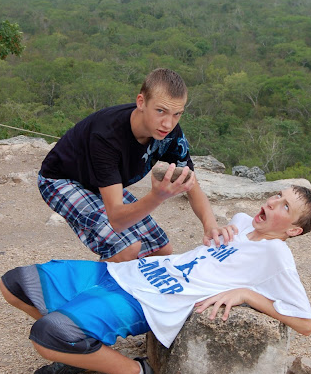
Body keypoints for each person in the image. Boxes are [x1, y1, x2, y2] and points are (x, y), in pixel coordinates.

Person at [0, 186, 311, 374]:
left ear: (293, 230)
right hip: (128, 271)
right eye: (277, 196)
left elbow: (304, 322)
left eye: (284, 206)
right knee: (15, 284)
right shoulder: (241, 222)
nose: (272, 202)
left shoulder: (276, 254)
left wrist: (246, 294)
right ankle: (81, 353)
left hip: (147, 299)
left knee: (47, 335)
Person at [38, 67, 226, 265]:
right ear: (141, 102)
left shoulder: (169, 133)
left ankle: (130, 290)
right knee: (127, 248)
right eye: (160, 111)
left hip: (99, 183)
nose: (168, 123)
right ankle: (93, 292)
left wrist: (210, 224)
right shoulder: (107, 136)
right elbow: (117, 220)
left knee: (160, 250)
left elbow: (190, 181)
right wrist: (157, 196)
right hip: (61, 180)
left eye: (177, 114)